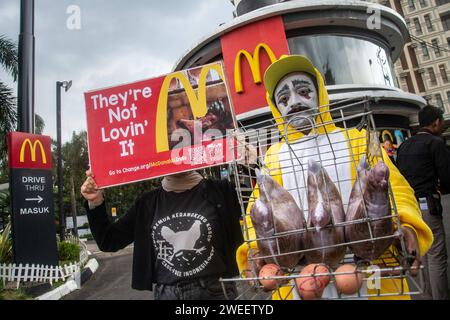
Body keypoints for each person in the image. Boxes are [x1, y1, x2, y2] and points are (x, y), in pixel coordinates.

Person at [235, 55, 433, 300]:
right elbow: (258, 211)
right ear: (276, 108)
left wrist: (405, 225)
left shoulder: (358, 139)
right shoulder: (274, 155)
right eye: (283, 99)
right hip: (301, 278)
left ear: (321, 94)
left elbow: (396, 190)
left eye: (304, 91)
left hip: (369, 270)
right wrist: (255, 250)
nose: (294, 103)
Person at [81, 170, 243, 300]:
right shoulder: (146, 204)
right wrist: (95, 202)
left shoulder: (222, 191)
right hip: (167, 293)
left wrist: (248, 163)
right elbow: (109, 241)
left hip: (215, 292)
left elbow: (260, 204)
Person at [396, 105, 450, 300]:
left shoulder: (404, 146)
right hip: (428, 203)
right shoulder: (435, 143)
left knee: (421, 254)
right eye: (441, 122)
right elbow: (446, 176)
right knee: (436, 255)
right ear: (436, 122)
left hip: (410, 208)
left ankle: (426, 296)